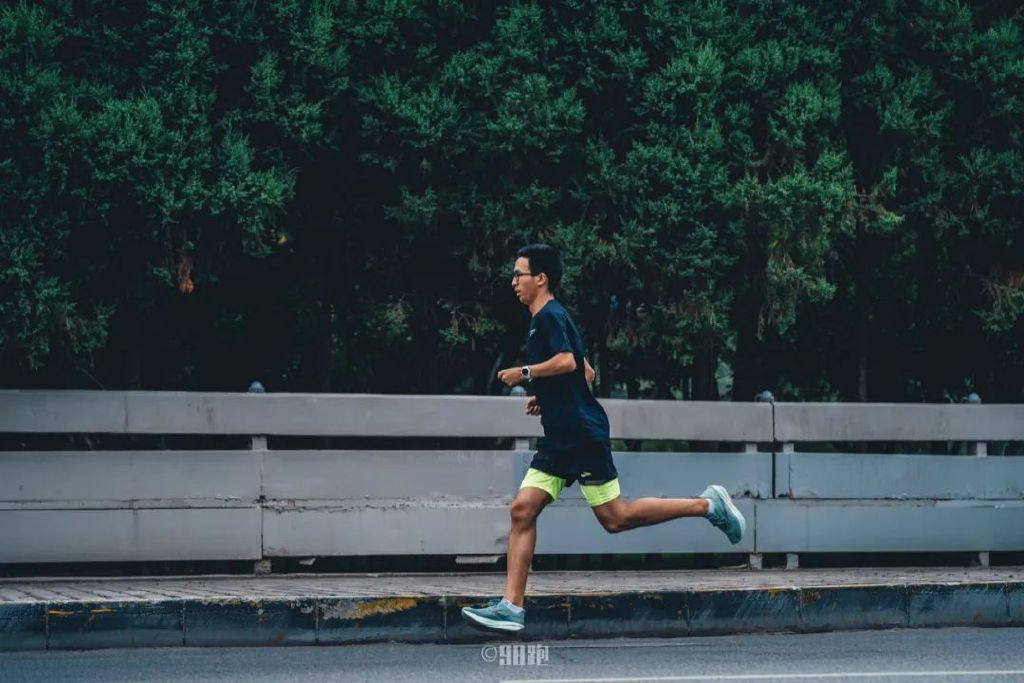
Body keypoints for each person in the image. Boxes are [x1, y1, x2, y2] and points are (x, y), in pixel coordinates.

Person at [461, 244, 746, 634]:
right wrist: (548, 397)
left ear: (540, 279)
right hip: (560, 438)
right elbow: (587, 372)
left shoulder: (550, 316)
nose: (513, 282)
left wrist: (526, 373)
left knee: (616, 518)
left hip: (581, 437)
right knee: (522, 510)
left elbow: (568, 362)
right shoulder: (545, 319)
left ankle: (708, 504)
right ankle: (512, 607)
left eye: (518, 274)